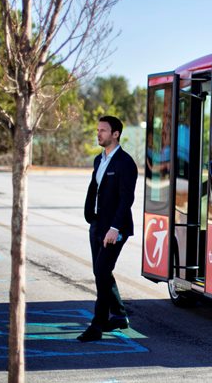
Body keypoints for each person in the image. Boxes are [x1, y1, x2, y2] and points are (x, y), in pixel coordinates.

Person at [77, 115, 138, 342]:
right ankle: (120, 316)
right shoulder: (98, 160)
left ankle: (97, 325)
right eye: (97, 129)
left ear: (115, 134)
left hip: (115, 229)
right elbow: (95, 189)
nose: (98, 133)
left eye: (103, 130)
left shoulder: (125, 163)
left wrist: (114, 228)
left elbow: (126, 199)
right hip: (97, 225)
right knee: (100, 272)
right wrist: (91, 218)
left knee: (102, 272)